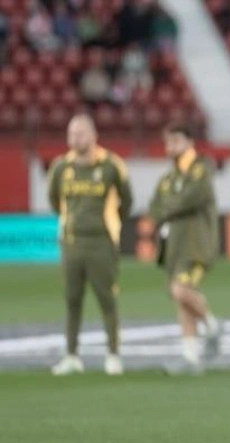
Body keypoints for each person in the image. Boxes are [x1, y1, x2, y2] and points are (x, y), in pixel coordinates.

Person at [48, 114, 133, 376]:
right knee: (72, 300)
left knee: (107, 299)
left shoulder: (111, 165)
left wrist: (110, 226)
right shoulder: (61, 167)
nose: (75, 139)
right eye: (71, 134)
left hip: (101, 243)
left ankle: (113, 354)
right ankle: (72, 355)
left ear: (93, 135)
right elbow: (54, 199)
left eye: (80, 133)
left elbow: (127, 201)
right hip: (72, 243)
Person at [148, 122, 220, 375]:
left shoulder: (201, 168)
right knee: (181, 301)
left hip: (196, 245)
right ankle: (191, 356)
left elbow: (192, 197)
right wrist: (172, 205)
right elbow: (154, 207)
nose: (171, 146)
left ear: (190, 142)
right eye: (168, 141)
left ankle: (212, 327)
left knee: (181, 290)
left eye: (176, 140)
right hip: (174, 247)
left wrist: (171, 205)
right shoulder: (169, 178)